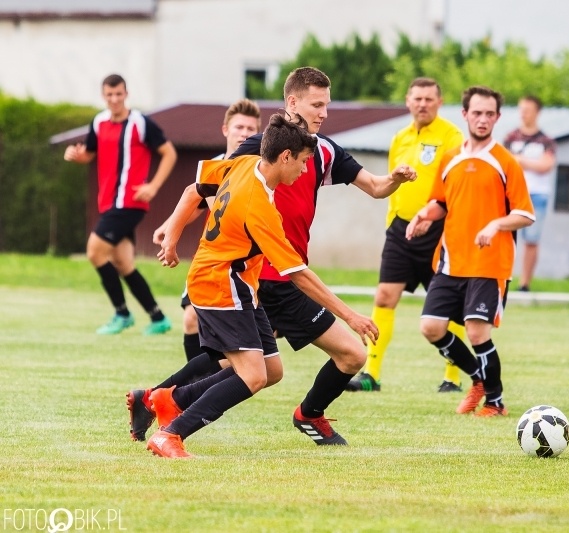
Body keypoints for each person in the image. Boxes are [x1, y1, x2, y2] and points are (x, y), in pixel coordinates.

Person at [126, 67, 416, 445]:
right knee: (251, 368)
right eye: (317, 104)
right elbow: (201, 188)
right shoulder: (256, 152)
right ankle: (170, 424)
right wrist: (172, 228)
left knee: (266, 366)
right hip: (262, 278)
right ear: (292, 103)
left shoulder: (323, 151)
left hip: (281, 277)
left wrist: (394, 178)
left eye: (327, 105)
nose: (324, 113)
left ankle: (161, 399)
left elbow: (376, 188)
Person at [145, 114, 382, 458]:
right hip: (220, 285)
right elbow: (298, 274)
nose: (304, 171)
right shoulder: (259, 207)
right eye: (302, 162)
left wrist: (173, 236)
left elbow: (195, 186)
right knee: (252, 375)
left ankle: (169, 399)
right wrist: (350, 316)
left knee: (271, 370)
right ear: (285, 156)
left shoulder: (243, 163)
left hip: (238, 282)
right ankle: (171, 434)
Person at [406, 86, 535, 418]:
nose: (482, 119)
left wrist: (495, 225)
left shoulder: (506, 161)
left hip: (489, 264)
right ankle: (478, 379)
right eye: (476, 113)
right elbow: (440, 203)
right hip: (451, 261)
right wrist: (423, 214)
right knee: (431, 327)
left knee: (477, 332)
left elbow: (525, 213)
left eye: (489, 113)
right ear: (465, 114)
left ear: (497, 117)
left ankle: (495, 401)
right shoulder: (451, 158)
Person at [346, 77, 466, 394]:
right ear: (408, 101)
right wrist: (392, 222)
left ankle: (452, 377)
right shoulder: (399, 138)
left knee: (449, 305)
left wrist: (436, 217)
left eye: (429, 98)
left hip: (438, 229)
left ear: (439, 102)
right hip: (400, 230)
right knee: (384, 297)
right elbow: (391, 184)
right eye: (417, 98)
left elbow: (456, 186)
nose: (423, 103)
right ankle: (371, 374)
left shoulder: (452, 136)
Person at [64, 74, 177, 335]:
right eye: (109, 95)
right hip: (108, 202)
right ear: (104, 96)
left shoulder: (140, 122)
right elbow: (89, 155)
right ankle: (158, 318)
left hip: (129, 202)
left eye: (119, 94)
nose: (114, 99)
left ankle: (122, 313)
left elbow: (169, 153)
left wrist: (153, 186)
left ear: (126, 94)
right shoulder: (99, 122)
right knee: (123, 263)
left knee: (94, 251)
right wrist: (77, 156)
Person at [152, 99, 261, 361]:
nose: (244, 134)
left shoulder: (258, 170)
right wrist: (168, 227)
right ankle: (194, 386)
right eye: (239, 127)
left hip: (246, 264)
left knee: (247, 343)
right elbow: (196, 203)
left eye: (250, 129)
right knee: (191, 318)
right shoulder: (213, 166)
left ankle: (208, 385)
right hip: (212, 259)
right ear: (225, 130)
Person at [502, 95, 556, 292]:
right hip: (512, 193)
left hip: (537, 195)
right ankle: (503, 276)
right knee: (505, 236)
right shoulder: (511, 137)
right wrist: (529, 162)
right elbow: (505, 163)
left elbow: (546, 165)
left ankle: (525, 283)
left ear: (537, 112)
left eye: (528, 110)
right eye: (521, 109)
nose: (524, 114)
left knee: (532, 239)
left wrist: (521, 160)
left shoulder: (546, 140)